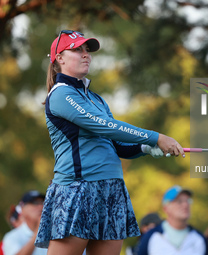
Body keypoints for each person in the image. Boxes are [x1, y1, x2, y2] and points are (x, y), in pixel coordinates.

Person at [34, 30, 185, 255]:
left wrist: (146, 147)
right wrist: (157, 137)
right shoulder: (60, 94)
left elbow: (114, 142)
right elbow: (105, 125)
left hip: (112, 188)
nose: (85, 54)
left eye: (87, 50)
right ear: (59, 58)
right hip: (78, 189)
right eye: (77, 49)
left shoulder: (96, 99)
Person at [136, 185, 208, 255]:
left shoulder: (199, 238)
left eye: (188, 201)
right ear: (166, 208)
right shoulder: (151, 236)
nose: (185, 205)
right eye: (179, 201)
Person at [2, 190, 46, 255]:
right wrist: (37, 233)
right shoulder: (12, 237)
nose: (41, 206)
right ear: (22, 209)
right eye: (35, 203)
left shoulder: (54, 233)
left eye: (43, 202)